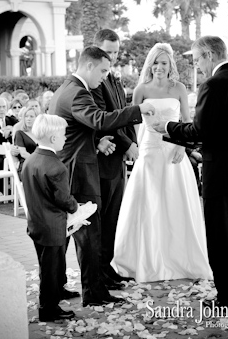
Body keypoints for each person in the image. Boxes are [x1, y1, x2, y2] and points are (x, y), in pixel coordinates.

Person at [153, 36, 228, 313]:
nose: (196, 67)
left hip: (223, 175)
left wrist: (167, 127)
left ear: (209, 55)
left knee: (222, 238)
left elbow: (201, 131)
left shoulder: (214, 85)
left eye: (197, 60)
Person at [49, 46, 154, 307]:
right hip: (80, 173)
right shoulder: (77, 93)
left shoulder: (67, 88)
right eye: (103, 70)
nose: (105, 76)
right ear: (88, 66)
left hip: (76, 166)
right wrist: (139, 110)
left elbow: (76, 132)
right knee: (89, 236)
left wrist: (94, 143)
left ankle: (88, 289)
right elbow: (100, 119)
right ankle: (94, 294)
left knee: (87, 235)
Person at [113, 43, 212, 283]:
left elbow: (188, 122)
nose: (159, 67)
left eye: (164, 63)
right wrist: (138, 149)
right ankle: (148, 261)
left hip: (174, 155)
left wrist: (181, 146)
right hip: (149, 155)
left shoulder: (178, 88)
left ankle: (179, 259)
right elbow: (133, 126)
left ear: (170, 66)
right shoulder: (140, 90)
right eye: (155, 62)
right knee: (150, 206)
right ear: (149, 65)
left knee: (176, 205)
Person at [91, 29, 138, 288]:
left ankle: (108, 269)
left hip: (118, 158)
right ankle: (98, 272)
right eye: (108, 52)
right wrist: (127, 144)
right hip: (104, 159)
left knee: (113, 218)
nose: (113, 57)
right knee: (102, 219)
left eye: (116, 52)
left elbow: (123, 114)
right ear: (97, 50)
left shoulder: (114, 78)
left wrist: (133, 144)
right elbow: (105, 119)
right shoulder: (96, 83)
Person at [21, 114, 78, 322]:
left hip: (37, 224)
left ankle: (57, 293)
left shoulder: (31, 160)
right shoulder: (56, 167)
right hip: (52, 226)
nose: (65, 138)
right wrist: (76, 207)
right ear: (53, 138)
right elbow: (63, 198)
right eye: (64, 134)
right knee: (50, 269)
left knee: (49, 265)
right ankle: (48, 308)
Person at [11, 106, 39, 177]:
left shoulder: (40, 134)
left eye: (31, 116)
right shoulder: (19, 133)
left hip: (39, 165)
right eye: (26, 116)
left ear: (37, 118)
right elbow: (23, 153)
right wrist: (38, 163)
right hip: (26, 164)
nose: (28, 119)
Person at [0, 97, 18, 194]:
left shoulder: (12, 120)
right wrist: (2, 131)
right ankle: (4, 191)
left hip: (11, 151)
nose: (1, 109)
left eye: (3, 107)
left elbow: (19, 129)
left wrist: (11, 130)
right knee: (0, 161)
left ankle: (18, 189)